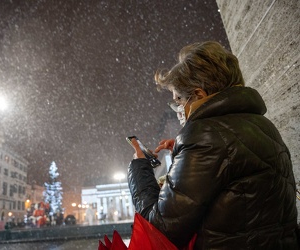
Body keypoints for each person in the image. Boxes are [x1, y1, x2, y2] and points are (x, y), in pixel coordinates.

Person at [127, 41, 298, 249]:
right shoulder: (263, 125)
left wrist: (139, 169)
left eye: (179, 101)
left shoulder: (203, 135)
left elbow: (161, 229)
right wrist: (185, 156)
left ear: (199, 95)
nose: (179, 109)